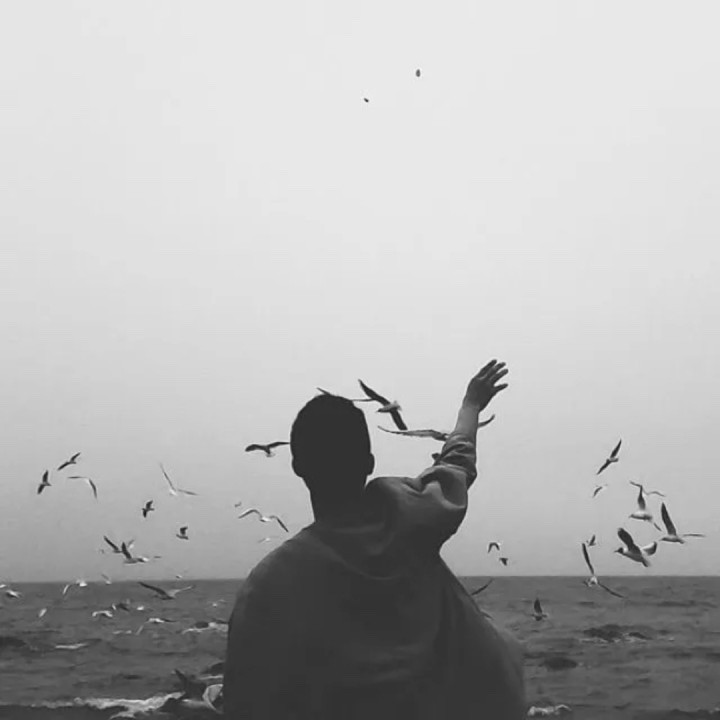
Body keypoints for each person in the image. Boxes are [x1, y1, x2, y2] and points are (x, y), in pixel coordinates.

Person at [223, 359, 525, 719]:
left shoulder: (269, 585)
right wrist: (471, 405)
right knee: (503, 639)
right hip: (462, 703)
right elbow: (456, 464)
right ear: (369, 462)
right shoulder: (410, 516)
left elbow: (248, 695)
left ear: (297, 466)